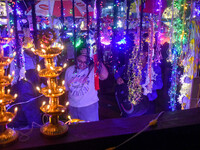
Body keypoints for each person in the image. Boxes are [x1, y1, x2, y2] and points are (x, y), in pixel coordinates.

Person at [64, 48, 108, 122]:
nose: (82, 64)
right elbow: (66, 89)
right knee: (75, 131)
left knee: (90, 131)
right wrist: (66, 105)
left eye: (85, 62)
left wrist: (97, 59)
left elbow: (105, 75)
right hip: (72, 107)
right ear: (75, 59)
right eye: (79, 61)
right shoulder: (69, 70)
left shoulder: (93, 69)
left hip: (89, 107)